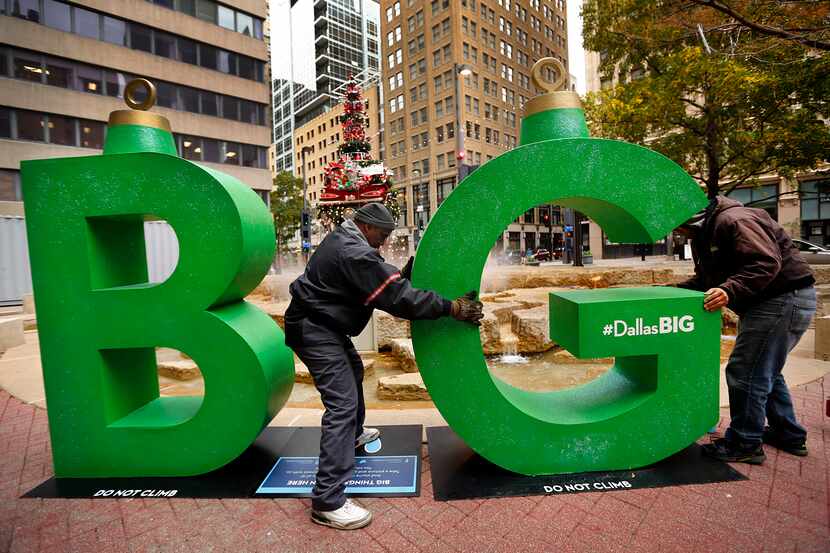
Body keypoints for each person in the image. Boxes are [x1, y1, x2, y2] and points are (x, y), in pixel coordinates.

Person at [283, 203, 484, 530]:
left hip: (321, 324)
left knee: (354, 370)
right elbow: (399, 300)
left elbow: (376, 285)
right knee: (342, 404)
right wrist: (453, 308)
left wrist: (400, 276)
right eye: (383, 234)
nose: (385, 241)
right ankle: (328, 500)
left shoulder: (345, 240)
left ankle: (354, 436)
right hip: (315, 328)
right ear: (366, 227)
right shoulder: (355, 253)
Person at [676, 196, 816, 465]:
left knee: (744, 371)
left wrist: (729, 291)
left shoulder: (734, 220)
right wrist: (671, 291)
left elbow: (765, 263)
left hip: (782, 299)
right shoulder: (703, 235)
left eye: (678, 227)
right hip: (773, 301)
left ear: (691, 217)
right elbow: (707, 279)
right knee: (764, 371)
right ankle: (788, 433)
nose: (676, 233)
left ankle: (745, 442)